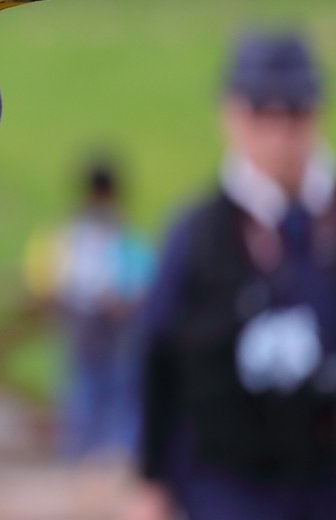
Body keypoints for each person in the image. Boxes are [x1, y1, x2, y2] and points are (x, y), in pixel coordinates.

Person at [128, 31, 336, 520]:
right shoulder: (198, 236)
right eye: (264, 114)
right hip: (229, 483)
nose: (281, 135)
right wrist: (150, 481)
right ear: (233, 115)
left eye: (296, 113)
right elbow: (157, 355)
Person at [25, 158, 155, 460]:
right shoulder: (104, 236)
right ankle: (93, 460)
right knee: (92, 395)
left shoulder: (72, 236)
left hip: (109, 328)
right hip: (88, 327)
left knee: (107, 394)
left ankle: (102, 459)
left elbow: (44, 280)